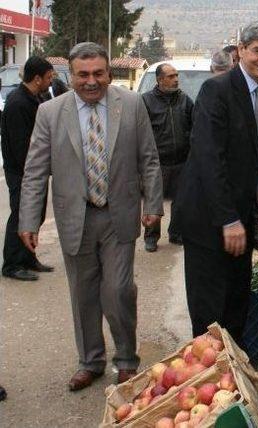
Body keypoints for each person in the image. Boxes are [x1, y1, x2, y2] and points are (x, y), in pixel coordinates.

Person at [18, 42, 163, 391]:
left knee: (118, 291)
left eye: (98, 73)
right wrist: (28, 220)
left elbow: (149, 158)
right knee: (83, 294)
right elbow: (35, 171)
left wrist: (154, 205)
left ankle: (127, 359)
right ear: (71, 76)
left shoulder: (130, 105)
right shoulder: (51, 113)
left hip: (118, 216)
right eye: (83, 75)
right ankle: (91, 361)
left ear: (109, 74)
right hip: (75, 218)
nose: (91, 81)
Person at [175, 20, 258, 343]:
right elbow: (208, 158)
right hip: (210, 220)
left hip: (242, 219)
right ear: (241, 50)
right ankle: (211, 375)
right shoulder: (217, 91)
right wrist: (228, 218)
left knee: (235, 304)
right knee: (209, 312)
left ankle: (235, 376)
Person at [1, 56, 55, 281]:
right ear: (37, 78)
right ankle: (12, 264)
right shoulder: (18, 103)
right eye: (49, 78)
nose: (51, 82)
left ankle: (28, 257)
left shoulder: (33, 98)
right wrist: (35, 171)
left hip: (34, 172)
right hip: (22, 173)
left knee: (35, 215)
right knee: (21, 216)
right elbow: (21, 145)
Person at [141, 63, 194, 251]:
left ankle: (176, 233)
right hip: (157, 163)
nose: (176, 79)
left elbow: (194, 127)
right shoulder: (146, 101)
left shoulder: (185, 100)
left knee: (180, 202)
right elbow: (140, 133)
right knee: (153, 201)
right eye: (171, 76)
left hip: (181, 161)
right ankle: (151, 237)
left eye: (176, 75)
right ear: (160, 79)